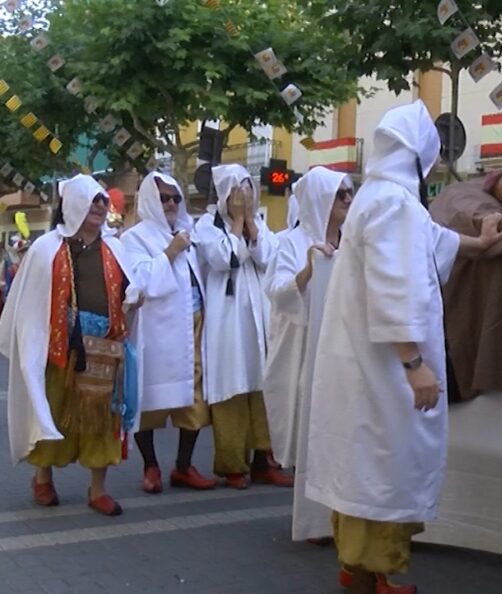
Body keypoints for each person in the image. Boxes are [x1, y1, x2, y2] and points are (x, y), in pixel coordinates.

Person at [304, 100, 502, 594]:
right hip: (383, 369)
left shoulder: (380, 199)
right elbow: (392, 289)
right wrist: (414, 363)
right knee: (385, 469)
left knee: (366, 467)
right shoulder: (393, 205)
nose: (435, 166)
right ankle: (375, 574)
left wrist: (479, 243)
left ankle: (358, 568)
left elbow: (433, 240)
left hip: (365, 368)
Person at [0, 174, 141, 516]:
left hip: (104, 346)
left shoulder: (115, 247)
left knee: (102, 420)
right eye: (93, 200)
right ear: (73, 204)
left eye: (103, 201)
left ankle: (98, 489)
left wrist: (134, 299)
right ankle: (43, 477)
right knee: (54, 409)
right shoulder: (45, 248)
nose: (100, 206)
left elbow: (131, 289)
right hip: (59, 347)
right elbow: (29, 301)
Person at [263, 166, 352, 543]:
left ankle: (341, 515)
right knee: (310, 430)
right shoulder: (291, 242)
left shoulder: (353, 240)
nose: (348, 200)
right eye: (341, 194)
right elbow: (277, 291)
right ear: (321, 200)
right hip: (302, 351)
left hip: (342, 350)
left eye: (349, 193)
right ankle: (315, 520)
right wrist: (308, 271)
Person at [194, 164, 291, 489]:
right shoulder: (207, 227)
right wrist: (236, 223)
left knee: (263, 386)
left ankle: (264, 460)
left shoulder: (259, 225)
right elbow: (225, 259)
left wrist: (249, 223)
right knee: (231, 388)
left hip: (259, 320)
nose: (245, 196)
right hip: (228, 324)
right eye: (238, 191)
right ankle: (232, 464)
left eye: (249, 188)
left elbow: (269, 257)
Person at [122, 172, 217, 493]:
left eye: (176, 198)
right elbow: (140, 281)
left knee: (195, 395)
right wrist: (169, 253)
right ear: (151, 200)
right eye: (164, 198)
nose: (171, 204)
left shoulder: (189, 232)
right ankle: (150, 466)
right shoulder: (135, 238)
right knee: (149, 397)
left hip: (194, 324)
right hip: (157, 330)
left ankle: (184, 465)